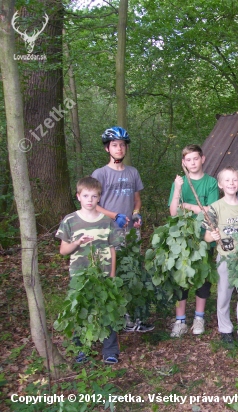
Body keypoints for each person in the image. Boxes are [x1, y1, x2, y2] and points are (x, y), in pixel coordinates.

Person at [91, 126, 154, 333]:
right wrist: (113, 216)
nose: (119, 148)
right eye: (115, 145)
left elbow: (137, 199)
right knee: (113, 272)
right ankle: (116, 316)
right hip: (109, 230)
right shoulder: (100, 174)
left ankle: (134, 316)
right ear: (107, 149)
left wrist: (136, 213)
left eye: (122, 145)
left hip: (130, 231)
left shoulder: (132, 172)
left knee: (133, 270)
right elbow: (94, 205)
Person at [56, 176, 121, 364]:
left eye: (94, 196)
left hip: (103, 273)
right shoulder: (70, 220)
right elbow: (63, 250)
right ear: (79, 197)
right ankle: (81, 348)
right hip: (79, 274)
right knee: (81, 309)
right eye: (86, 196)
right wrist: (77, 242)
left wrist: (112, 273)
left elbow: (112, 248)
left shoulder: (106, 222)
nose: (90, 200)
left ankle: (110, 350)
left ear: (99, 198)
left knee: (107, 309)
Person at [203, 167, 238, 352]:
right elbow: (207, 237)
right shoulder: (215, 208)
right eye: (227, 180)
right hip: (225, 259)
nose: (231, 183)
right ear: (220, 184)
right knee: (224, 296)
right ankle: (225, 330)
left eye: (234, 180)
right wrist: (213, 234)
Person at [168, 144, 219, 337]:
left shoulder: (211, 182)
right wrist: (178, 189)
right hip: (182, 238)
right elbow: (174, 213)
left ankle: (199, 317)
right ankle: (180, 320)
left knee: (202, 278)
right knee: (181, 278)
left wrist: (188, 205)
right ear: (183, 163)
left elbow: (211, 210)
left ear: (203, 159)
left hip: (205, 237)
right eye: (188, 160)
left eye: (195, 159)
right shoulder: (179, 182)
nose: (192, 163)